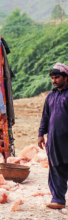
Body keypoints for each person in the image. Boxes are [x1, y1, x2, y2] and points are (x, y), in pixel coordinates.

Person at [38, 63, 68, 209]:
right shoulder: (50, 96)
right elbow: (45, 117)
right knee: (56, 168)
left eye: (57, 77)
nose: (54, 80)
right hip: (54, 140)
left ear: (66, 78)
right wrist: (40, 134)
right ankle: (58, 199)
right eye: (52, 78)